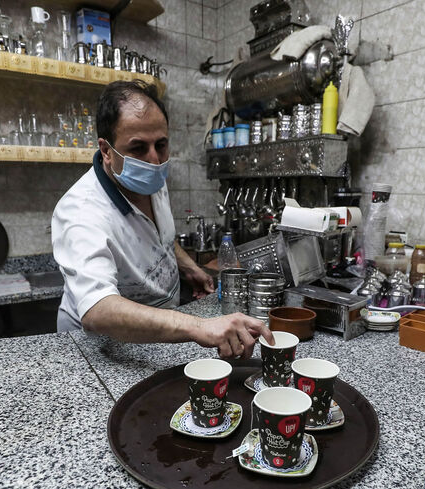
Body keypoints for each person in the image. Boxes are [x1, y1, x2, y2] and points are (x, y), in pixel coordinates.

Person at [52, 81, 273, 358]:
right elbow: (98, 310)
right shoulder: (81, 211)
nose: (154, 160)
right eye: (138, 148)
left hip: (157, 336)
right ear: (107, 151)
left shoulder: (150, 179)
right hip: (102, 349)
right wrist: (198, 326)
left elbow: (158, 235)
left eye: (161, 144)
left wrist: (188, 266)